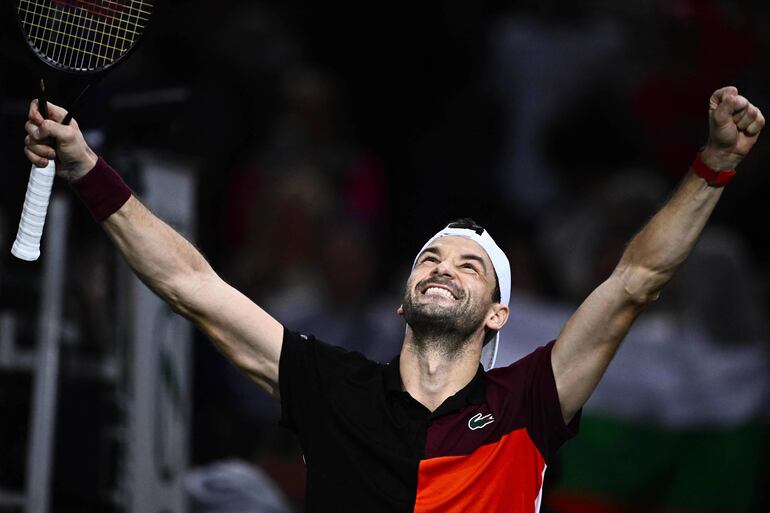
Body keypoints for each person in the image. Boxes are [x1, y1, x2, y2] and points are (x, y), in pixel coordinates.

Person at [21, 86, 764, 512]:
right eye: (429, 258)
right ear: (404, 302)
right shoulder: (332, 386)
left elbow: (635, 280)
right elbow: (192, 286)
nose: (442, 267)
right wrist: (85, 167)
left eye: (470, 266)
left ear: (498, 315)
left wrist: (713, 167)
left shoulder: (530, 400)